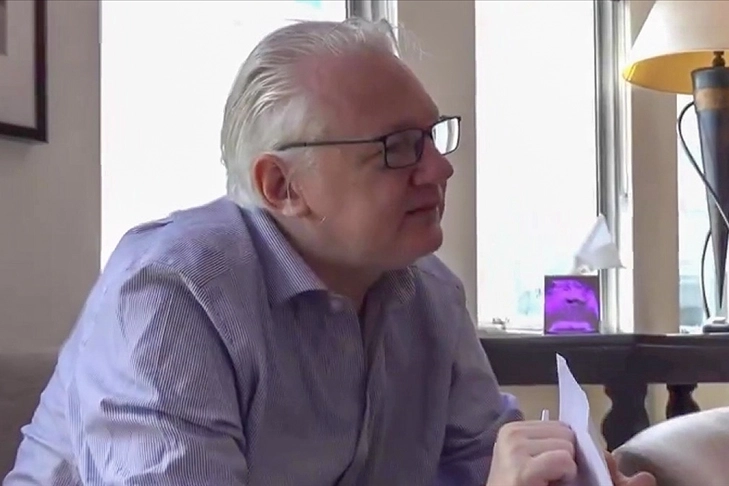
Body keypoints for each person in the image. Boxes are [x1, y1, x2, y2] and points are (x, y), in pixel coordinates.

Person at [3, 18, 655, 486]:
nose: (439, 169)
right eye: (398, 148)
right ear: (282, 186)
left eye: (432, 137)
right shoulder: (171, 293)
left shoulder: (429, 292)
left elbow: (483, 460)